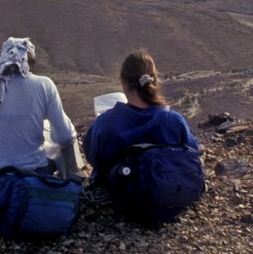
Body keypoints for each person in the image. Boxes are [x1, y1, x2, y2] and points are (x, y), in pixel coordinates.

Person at [0, 37, 80, 179]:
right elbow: (64, 136)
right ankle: (71, 182)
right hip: (33, 174)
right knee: (66, 130)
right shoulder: (44, 85)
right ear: (31, 62)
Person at [85, 49, 199, 187]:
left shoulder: (105, 123)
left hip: (118, 204)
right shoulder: (174, 121)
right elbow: (192, 154)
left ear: (123, 81)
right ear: (154, 80)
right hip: (168, 203)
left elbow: (93, 158)